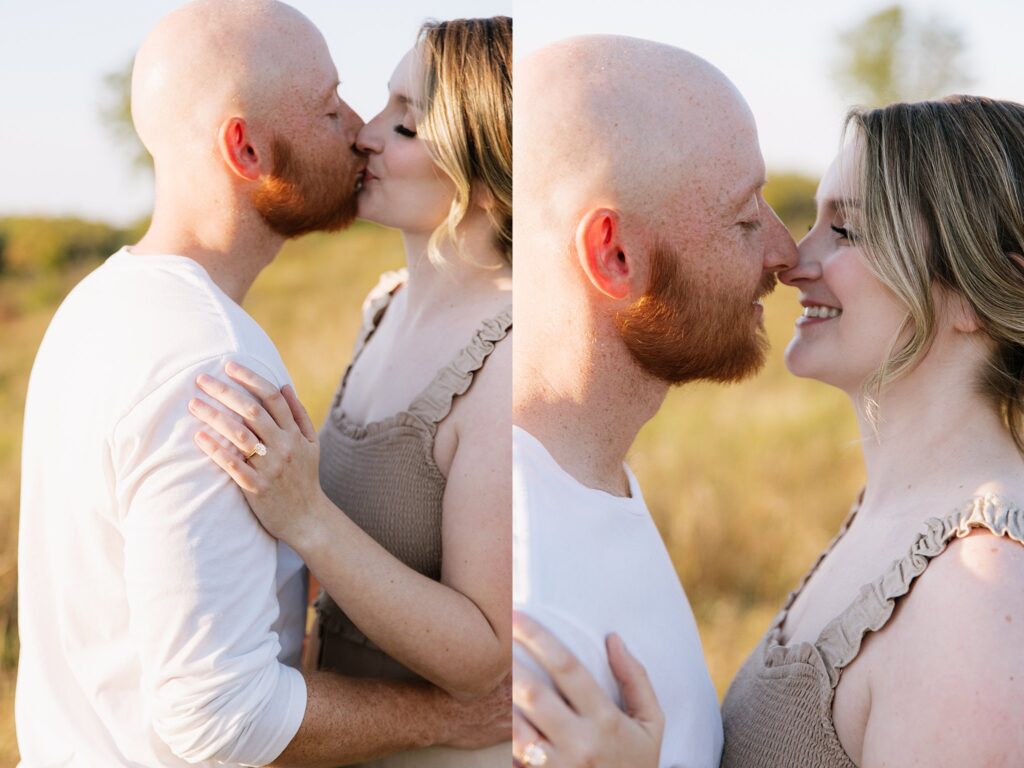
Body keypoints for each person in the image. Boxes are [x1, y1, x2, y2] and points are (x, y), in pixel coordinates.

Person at [15, 2, 508, 766]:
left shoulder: (95, 307)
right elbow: (219, 717)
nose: (359, 129)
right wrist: (441, 717)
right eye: (329, 106)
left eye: (393, 115)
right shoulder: (206, 358)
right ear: (245, 147)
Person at [517, 95, 1024, 767]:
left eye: (848, 231)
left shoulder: (980, 594)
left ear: (973, 292)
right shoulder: (900, 519)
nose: (791, 260)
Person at [189, 15, 512, 768]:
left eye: (405, 124)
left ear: (487, 169)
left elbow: (482, 656)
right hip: (352, 740)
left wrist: (305, 517)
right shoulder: (384, 306)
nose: (364, 135)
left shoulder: (509, 359)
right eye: (380, 108)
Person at [510, 35, 797, 768]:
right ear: (616, 256)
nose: (784, 250)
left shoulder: (585, 479)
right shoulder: (522, 584)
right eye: (744, 218)